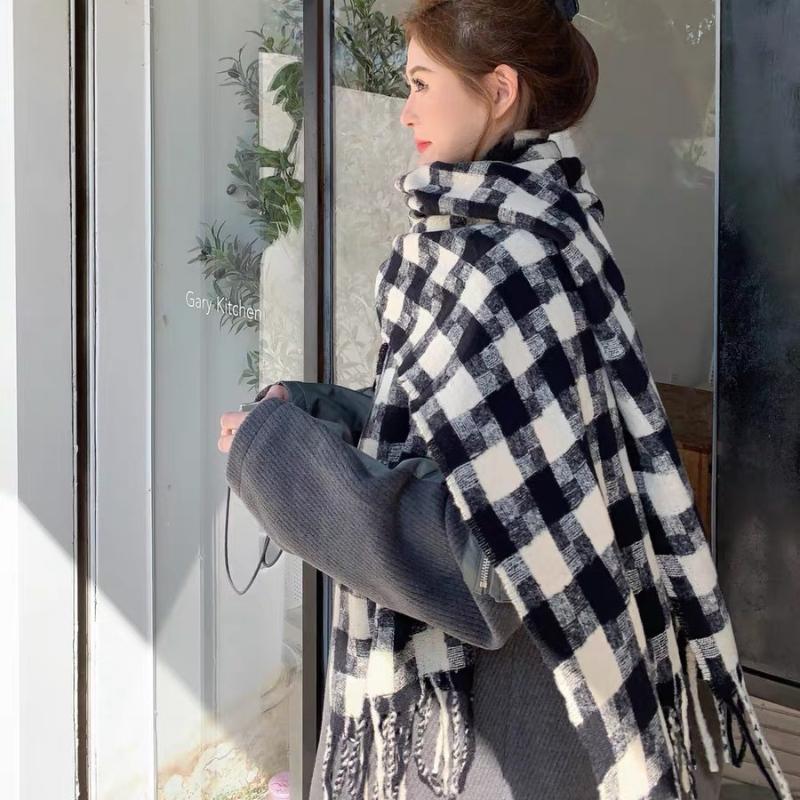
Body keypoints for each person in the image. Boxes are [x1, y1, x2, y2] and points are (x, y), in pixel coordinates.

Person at [219, 2, 788, 799]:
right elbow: (467, 427)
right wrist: (333, 413)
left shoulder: (501, 262)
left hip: (492, 731)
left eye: (421, 83)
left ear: (498, 89)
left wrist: (278, 460)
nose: (405, 110)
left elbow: (486, 561)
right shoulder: (543, 224)